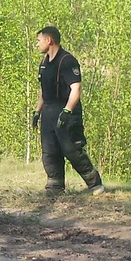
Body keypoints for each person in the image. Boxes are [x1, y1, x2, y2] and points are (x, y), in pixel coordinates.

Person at [32, 26, 105, 196]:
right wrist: (37, 112)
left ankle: (95, 184)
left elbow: (76, 88)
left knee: (71, 149)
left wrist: (67, 111)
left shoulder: (67, 61)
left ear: (49, 40)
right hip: (48, 111)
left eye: (38, 40)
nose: (37, 44)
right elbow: (43, 91)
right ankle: (55, 188)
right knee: (49, 151)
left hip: (66, 110)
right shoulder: (44, 63)